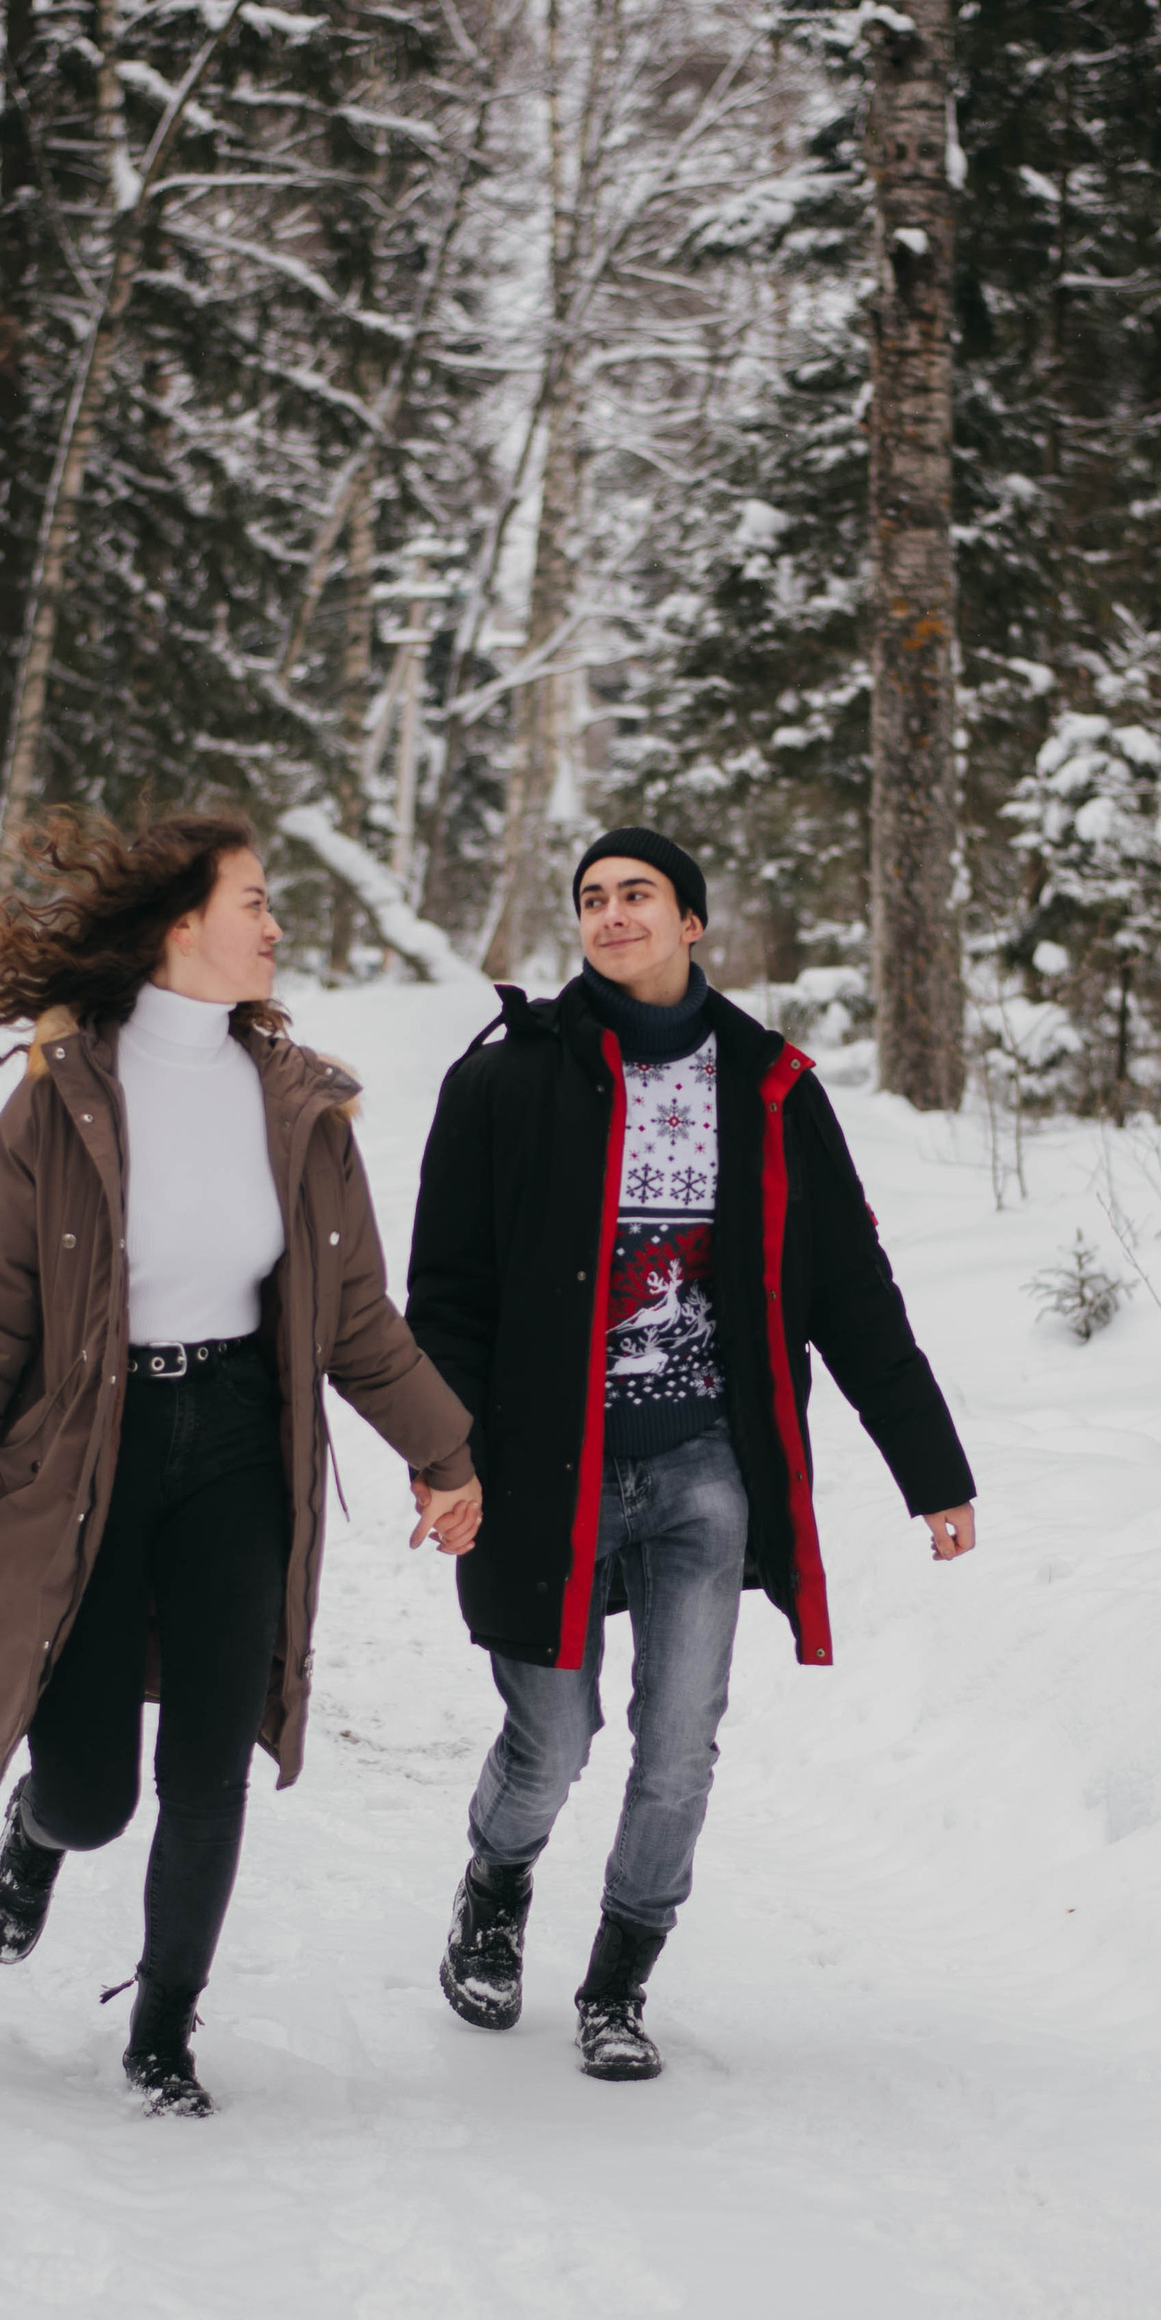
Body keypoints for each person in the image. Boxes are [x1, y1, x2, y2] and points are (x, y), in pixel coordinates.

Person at [0, 811, 479, 2116]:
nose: (275, 925)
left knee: (211, 1767)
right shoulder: (63, 1098)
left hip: (237, 1455)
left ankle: (162, 2035)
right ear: (179, 929)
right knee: (96, 1792)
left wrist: (443, 1453)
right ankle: (37, 1834)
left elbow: (358, 1317)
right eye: (254, 902)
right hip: (90, 1454)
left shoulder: (302, 1105)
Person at [406, 828, 976, 2081]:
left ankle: (617, 1981)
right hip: (544, 1466)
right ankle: (494, 1892)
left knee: (678, 1744)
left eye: (638, 896)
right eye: (593, 899)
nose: (612, 915)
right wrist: (443, 1451)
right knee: (551, 1739)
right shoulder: (507, 1079)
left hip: (702, 1465)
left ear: (692, 923)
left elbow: (850, 1293)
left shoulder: (771, 1087)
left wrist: (931, 1469)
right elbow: (442, 1294)